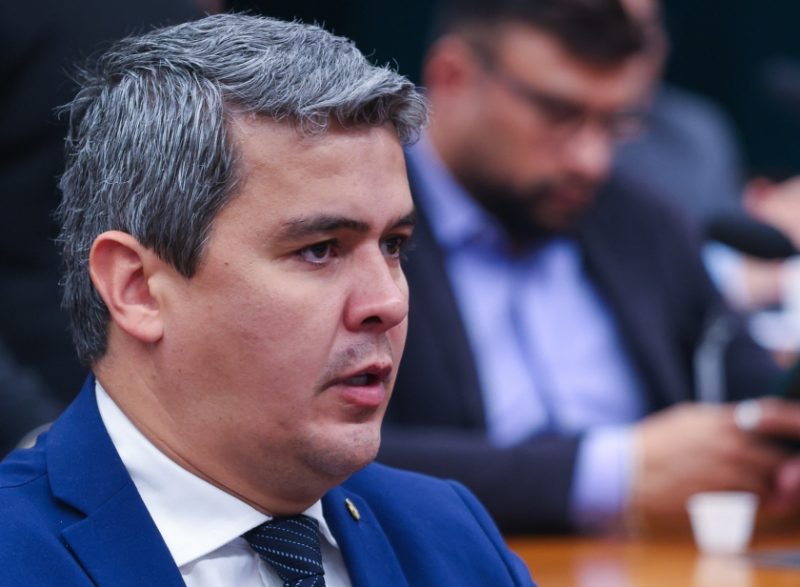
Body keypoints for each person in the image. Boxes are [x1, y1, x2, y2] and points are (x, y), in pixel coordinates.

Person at [0, 14, 534, 586]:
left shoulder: (448, 532)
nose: (388, 301)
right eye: (320, 250)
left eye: (393, 245)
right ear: (137, 288)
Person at [378, 0, 800, 534]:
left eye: (615, 123)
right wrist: (612, 473)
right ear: (453, 77)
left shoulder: (640, 220)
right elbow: (334, 455)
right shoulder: (361, 228)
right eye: (559, 114)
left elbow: (750, 384)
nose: (591, 160)